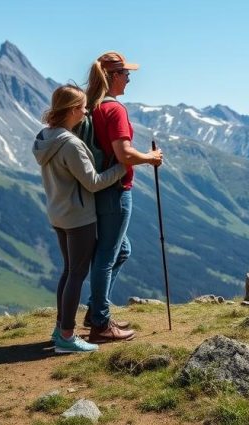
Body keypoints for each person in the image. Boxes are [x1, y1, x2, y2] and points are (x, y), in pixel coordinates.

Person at [33, 84, 128, 353]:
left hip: (58, 212)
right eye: (84, 107)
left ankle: (60, 327)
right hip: (79, 216)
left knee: (68, 271)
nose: (87, 112)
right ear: (73, 110)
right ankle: (66, 335)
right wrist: (123, 167)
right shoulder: (71, 144)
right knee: (77, 274)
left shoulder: (45, 137)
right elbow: (94, 182)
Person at [83, 51, 163, 343]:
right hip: (116, 191)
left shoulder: (93, 108)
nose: (129, 78)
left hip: (101, 189)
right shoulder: (114, 110)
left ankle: (95, 311)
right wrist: (151, 157)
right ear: (113, 76)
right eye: (126, 74)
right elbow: (124, 154)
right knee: (107, 255)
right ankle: (101, 324)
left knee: (120, 249)